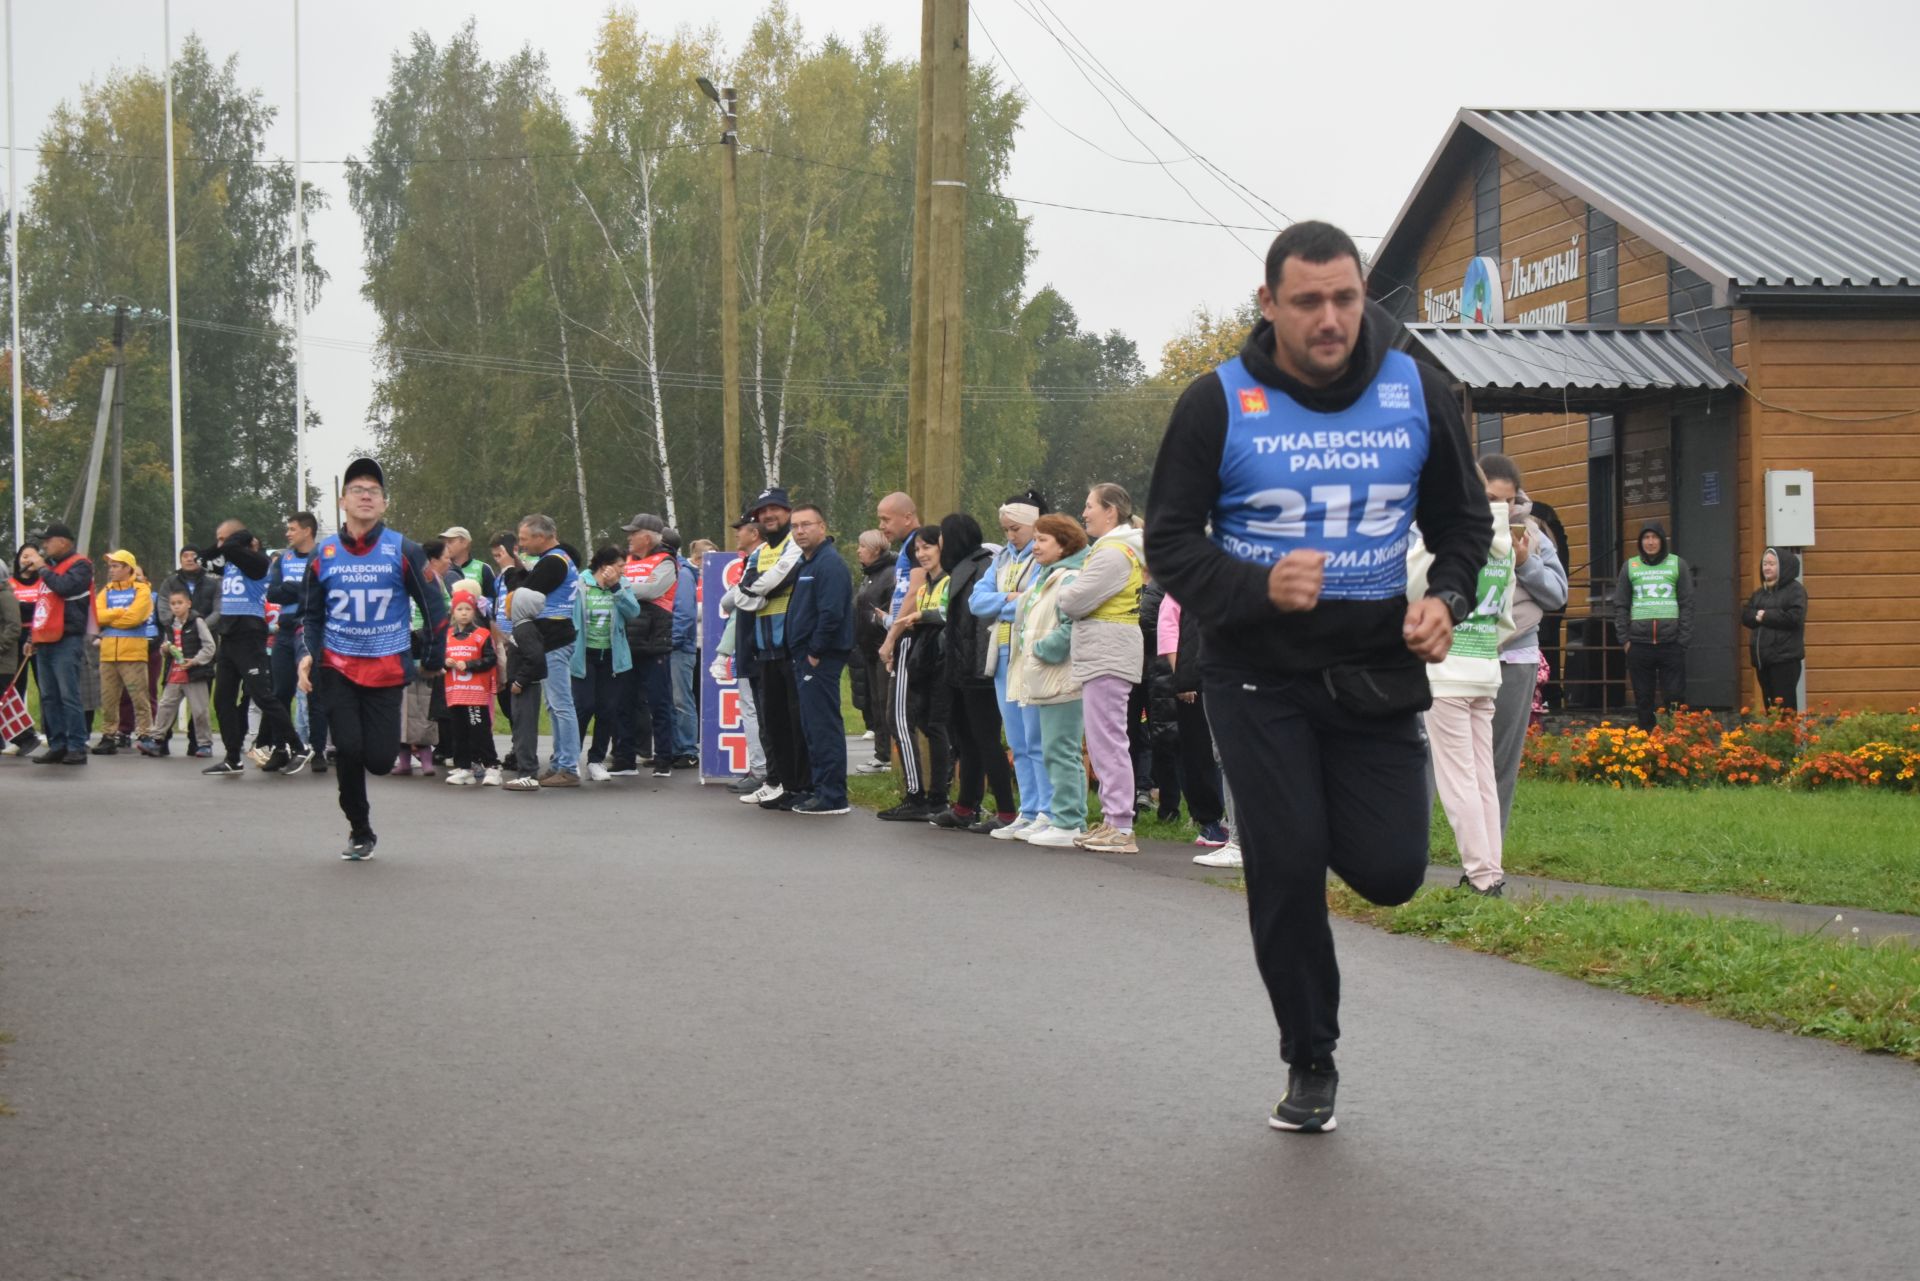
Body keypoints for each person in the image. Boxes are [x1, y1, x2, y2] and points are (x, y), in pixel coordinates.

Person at [1144, 220, 1491, 1134]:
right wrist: (1256, 585)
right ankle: (1311, 1056)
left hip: (1371, 672)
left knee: (1390, 871)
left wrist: (1447, 598)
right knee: (1289, 866)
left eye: (1345, 297)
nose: (1331, 318)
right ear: (1269, 305)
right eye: (1308, 302)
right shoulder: (1215, 403)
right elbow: (1170, 544)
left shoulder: (1418, 388)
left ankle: (1316, 818)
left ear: (1362, 292)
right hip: (1256, 674)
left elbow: (1464, 525)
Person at [297, 457, 448, 859]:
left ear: (384, 504)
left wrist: (433, 656)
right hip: (337, 668)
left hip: (385, 670)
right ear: (342, 501)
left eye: (374, 491)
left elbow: (435, 606)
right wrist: (307, 655)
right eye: (357, 490)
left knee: (379, 760)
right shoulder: (322, 554)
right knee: (347, 748)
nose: (366, 496)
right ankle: (360, 829)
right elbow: (310, 615)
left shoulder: (404, 549)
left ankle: (367, 790)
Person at [1410, 486, 1516, 896]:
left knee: (1458, 780)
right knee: (1483, 776)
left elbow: (1410, 584)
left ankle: (1480, 875)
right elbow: (1506, 617)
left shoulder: (1446, 539)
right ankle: (1491, 868)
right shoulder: (1504, 547)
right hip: (1484, 667)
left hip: (1446, 670)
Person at [1479, 455, 1568, 836]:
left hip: (1516, 655)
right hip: (1464, 652)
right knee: (1440, 754)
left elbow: (1558, 595)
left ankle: (1488, 851)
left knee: (1501, 759)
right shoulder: (1451, 525)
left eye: (1508, 500)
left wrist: (1526, 563)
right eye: (1489, 498)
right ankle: (1427, 846)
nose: (1500, 508)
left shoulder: (1532, 534)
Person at [1058, 485, 1148, 854]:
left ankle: (1122, 826)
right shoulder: (1114, 548)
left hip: (1109, 652)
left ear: (1111, 512)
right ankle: (1113, 820)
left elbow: (1075, 601)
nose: (1084, 513)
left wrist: (1065, 589)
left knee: (1108, 739)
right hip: (1105, 652)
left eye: (1090, 505)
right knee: (1101, 739)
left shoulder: (1113, 552)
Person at [930, 513, 1017, 833]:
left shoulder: (979, 568)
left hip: (977, 669)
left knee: (986, 740)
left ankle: (1007, 811)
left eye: (941, 536)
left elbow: (981, 626)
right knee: (967, 739)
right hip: (963, 667)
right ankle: (966, 806)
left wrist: (982, 670)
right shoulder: (967, 566)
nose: (939, 543)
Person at [972, 492, 1052, 841]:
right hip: (1003, 652)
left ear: (1034, 524)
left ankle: (1048, 810)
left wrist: (1009, 602)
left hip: (1031, 651)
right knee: (1017, 739)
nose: (1009, 536)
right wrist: (1008, 598)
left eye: (1015, 528)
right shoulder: (1002, 558)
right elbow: (977, 601)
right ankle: (1029, 810)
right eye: (1004, 529)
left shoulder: (1045, 556)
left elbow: (1036, 602)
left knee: (1037, 737)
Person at [1009, 514, 1090, 847]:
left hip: (1062, 677)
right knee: (1051, 749)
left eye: (1043, 539)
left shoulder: (1070, 578)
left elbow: (1073, 626)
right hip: (1045, 678)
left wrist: (1044, 649)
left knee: (1062, 749)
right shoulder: (1047, 576)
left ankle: (1070, 822)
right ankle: (1059, 816)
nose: (1035, 545)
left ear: (1064, 544)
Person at [204, 518, 309, 777]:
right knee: (222, 698)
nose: (219, 544)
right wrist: (224, 544)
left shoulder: (259, 562)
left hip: (249, 634)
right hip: (228, 636)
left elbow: (228, 551)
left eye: (223, 538)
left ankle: (298, 747)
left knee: (262, 696)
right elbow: (202, 558)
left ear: (239, 540)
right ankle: (232, 757)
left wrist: (234, 542)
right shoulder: (228, 560)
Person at [728, 488, 809, 810]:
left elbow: (782, 578)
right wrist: (759, 590)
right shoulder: (760, 553)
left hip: (791, 646)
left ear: (788, 512)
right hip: (763, 648)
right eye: (762, 511)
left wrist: (756, 590)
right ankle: (779, 783)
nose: (768, 515)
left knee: (795, 723)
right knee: (772, 724)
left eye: (775, 509)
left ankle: (800, 785)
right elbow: (740, 596)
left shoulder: (794, 544)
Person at [782, 503, 855, 815]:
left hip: (820, 659)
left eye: (806, 525)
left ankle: (833, 796)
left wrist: (814, 651)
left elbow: (831, 613)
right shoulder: (806, 563)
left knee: (823, 726)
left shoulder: (829, 565)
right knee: (812, 726)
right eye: (795, 526)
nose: (800, 531)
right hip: (805, 657)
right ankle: (817, 788)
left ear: (822, 527)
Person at [1156, 592, 1236, 862]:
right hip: (1194, 682)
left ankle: (1224, 821)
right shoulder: (1178, 591)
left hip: (1210, 675)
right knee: (1201, 754)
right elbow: (1170, 635)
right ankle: (1210, 821)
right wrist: (1184, 678)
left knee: (1214, 754)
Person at [879, 527, 951, 821]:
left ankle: (920, 795)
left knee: (901, 720)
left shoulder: (948, 582)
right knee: (925, 723)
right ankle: (932, 796)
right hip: (920, 655)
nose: (922, 554)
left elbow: (945, 614)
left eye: (927, 547)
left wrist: (897, 634)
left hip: (931, 657)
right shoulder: (925, 588)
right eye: (917, 550)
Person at [514, 514, 583, 788]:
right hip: (555, 636)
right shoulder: (561, 558)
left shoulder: (553, 562)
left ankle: (568, 766)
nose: (521, 545)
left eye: (524, 539)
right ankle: (559, 763)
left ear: (541, 537)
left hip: (555, 637)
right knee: (555, 706)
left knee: (561, 705)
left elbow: (525, 593)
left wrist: (514, 573)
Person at [26, 523, 97, 766]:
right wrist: (31, 638)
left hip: (67, 638)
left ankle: (76, 745)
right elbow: (42, 606)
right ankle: (57, 744)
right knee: (48, 696)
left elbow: (66, 588)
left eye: (48, 540)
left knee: (69, 695)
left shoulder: (81, 565)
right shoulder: (52, 568)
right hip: (44, 638)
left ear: (64, 542)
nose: (44, 545)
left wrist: (43, 569)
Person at [615, 512, 679, 778]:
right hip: (627, 641)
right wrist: (629, 585)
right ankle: (625, 759)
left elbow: (652, 591)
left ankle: (664, 759)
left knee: (659, 702)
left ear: (647, 536)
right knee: (624, 702)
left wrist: (620, 585)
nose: (629, 538)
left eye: (633, 533)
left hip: (655, 642)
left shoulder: (667, 561)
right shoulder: (627, 560)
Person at [571, 546, 642, 780]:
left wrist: (615, 588)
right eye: (620, 566)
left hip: (611, 656)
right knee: (584, 706)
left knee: (607, 709)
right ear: (605, 566)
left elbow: (633, 611)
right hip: (585, 655)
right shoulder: (581, 583)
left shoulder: (622, 585)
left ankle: (596, 760)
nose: (624, 570)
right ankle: (570, 758)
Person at [1614, 522, 1693, 730]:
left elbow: (1687, 604)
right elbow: (1621, 605)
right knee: (1643, 699)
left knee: (1675, 697)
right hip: (1639, 645)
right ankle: (1647, 745)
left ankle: (1675, 743)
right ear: (1640, 542)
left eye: (1654, 537)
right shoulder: (1629, 566)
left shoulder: (1678, 564)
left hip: (1671, 643)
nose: (1650, 542)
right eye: (1646, 538)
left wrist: (1682, 641)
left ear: (1662, 540)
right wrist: (1625, 640)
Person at [264, 512, 325, 770]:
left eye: (292, 529)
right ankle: (281, 747)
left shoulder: (323, 556)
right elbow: (273, 592)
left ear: (307, 531)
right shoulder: (283, 558)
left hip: (311, 629)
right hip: (285, 631)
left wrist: (294, 588)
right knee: (280, 692)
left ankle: (318, 751)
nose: (287, 533)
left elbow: (321, 592)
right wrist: (298, 588)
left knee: (314, 693)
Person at [92, 550, 156, 755]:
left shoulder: (142, 590)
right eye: (110, 566)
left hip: (133, 652)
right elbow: (96, 616)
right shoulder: (106, 591)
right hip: (108, 652)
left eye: (116, 566)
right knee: (109, 698)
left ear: (128, 568)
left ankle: (145, 734)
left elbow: (135, 618)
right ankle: (109, 735)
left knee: (140, 696)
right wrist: (120, 613)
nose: (111, 570)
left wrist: (111, 617)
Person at [397, 538, 452, 776]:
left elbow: (444, 609)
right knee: (402, 707)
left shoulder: (434, 581)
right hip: (401, 645)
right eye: (446, 557)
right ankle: (404, 760)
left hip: (424, 646)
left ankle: (427, 759)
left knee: (423, 706)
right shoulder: (397, 579)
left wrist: (433, 644)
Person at [440, 581, 502, 786]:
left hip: (475, 693)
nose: (464, 613)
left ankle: (491, 766)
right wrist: (445, 662)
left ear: (474, 611)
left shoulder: (481, 635)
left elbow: (490, 659)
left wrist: (469, 664)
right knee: (459, 732)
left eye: (468, 609)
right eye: (460, 609)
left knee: (479, 730)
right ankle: (464, 767)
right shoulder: (447, 636)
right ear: (453, 611)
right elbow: (440, 658)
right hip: (455, 692)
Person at [850, 529, 897, 772]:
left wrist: (876, 624)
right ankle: (881, 754)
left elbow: (890, 610)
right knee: (875, 703)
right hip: (868, 648)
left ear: (876, 549)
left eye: (863, 546)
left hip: (883, 647)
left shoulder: (890, 575)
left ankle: (889, 756)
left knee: (885, 701)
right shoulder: (870, 575)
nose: (858, 550)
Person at [150, 587, 215, 756]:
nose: (176, 607)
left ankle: (204, 744)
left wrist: (195, 661)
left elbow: (210, 646)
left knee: (199, 710)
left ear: (188, 604)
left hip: (194, 674)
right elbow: (166, 648)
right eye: (173, 604)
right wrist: (165, 649)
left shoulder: (197, 622)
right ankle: (157, 740)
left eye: (180, 603)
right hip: (175, 673)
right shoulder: (170, 624)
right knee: (165, 706)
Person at [1742, 547, 1807, 712]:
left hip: (1784, 660)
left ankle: (1788, 738)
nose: (1766, 568)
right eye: (1764, 564)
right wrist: (1759, 615)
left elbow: (1794, 617)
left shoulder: (1795, 590)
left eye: (1771, 564)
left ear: (1783, 566)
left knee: (1785, 710)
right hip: (1763, 661)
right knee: (1771, 710)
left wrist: (1765, 616)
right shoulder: (1760, 593)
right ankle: (1775, 737)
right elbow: (1746, 616)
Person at [501, 586, 548, 792]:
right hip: (524, 686)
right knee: (521, 728)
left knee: (524, 730)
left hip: (526, 688)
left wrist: (519, 681)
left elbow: (536, 659)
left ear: (521, 606)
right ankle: (527, 769)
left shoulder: (524, 629)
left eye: (510, 603)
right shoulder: (522, 627)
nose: (506, 607)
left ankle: (528, 773)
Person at [5, 541, 45, 756]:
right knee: (16, 686)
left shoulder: (43, 582)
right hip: (16, 639)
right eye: (24, 556)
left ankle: (48, 731)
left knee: (44, 685)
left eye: (32, 556)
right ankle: (18, 735)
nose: (27, 560)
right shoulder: (10, 583)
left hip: (39, 636)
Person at [665, 527, 700, 768]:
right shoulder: (668, 570)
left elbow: (685, 612)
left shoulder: (682, 572)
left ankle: (688, 749)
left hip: (679, 647)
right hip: (665, 645)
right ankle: (674, 747)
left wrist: (673, 640)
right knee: (668, 699)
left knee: (681, 698)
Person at [439, 525, 497, 600]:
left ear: (465, 543)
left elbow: (494, 601)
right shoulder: (441, 567)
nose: (446, 546)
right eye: (445, 543)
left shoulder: (483, 568)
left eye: (450, 542)